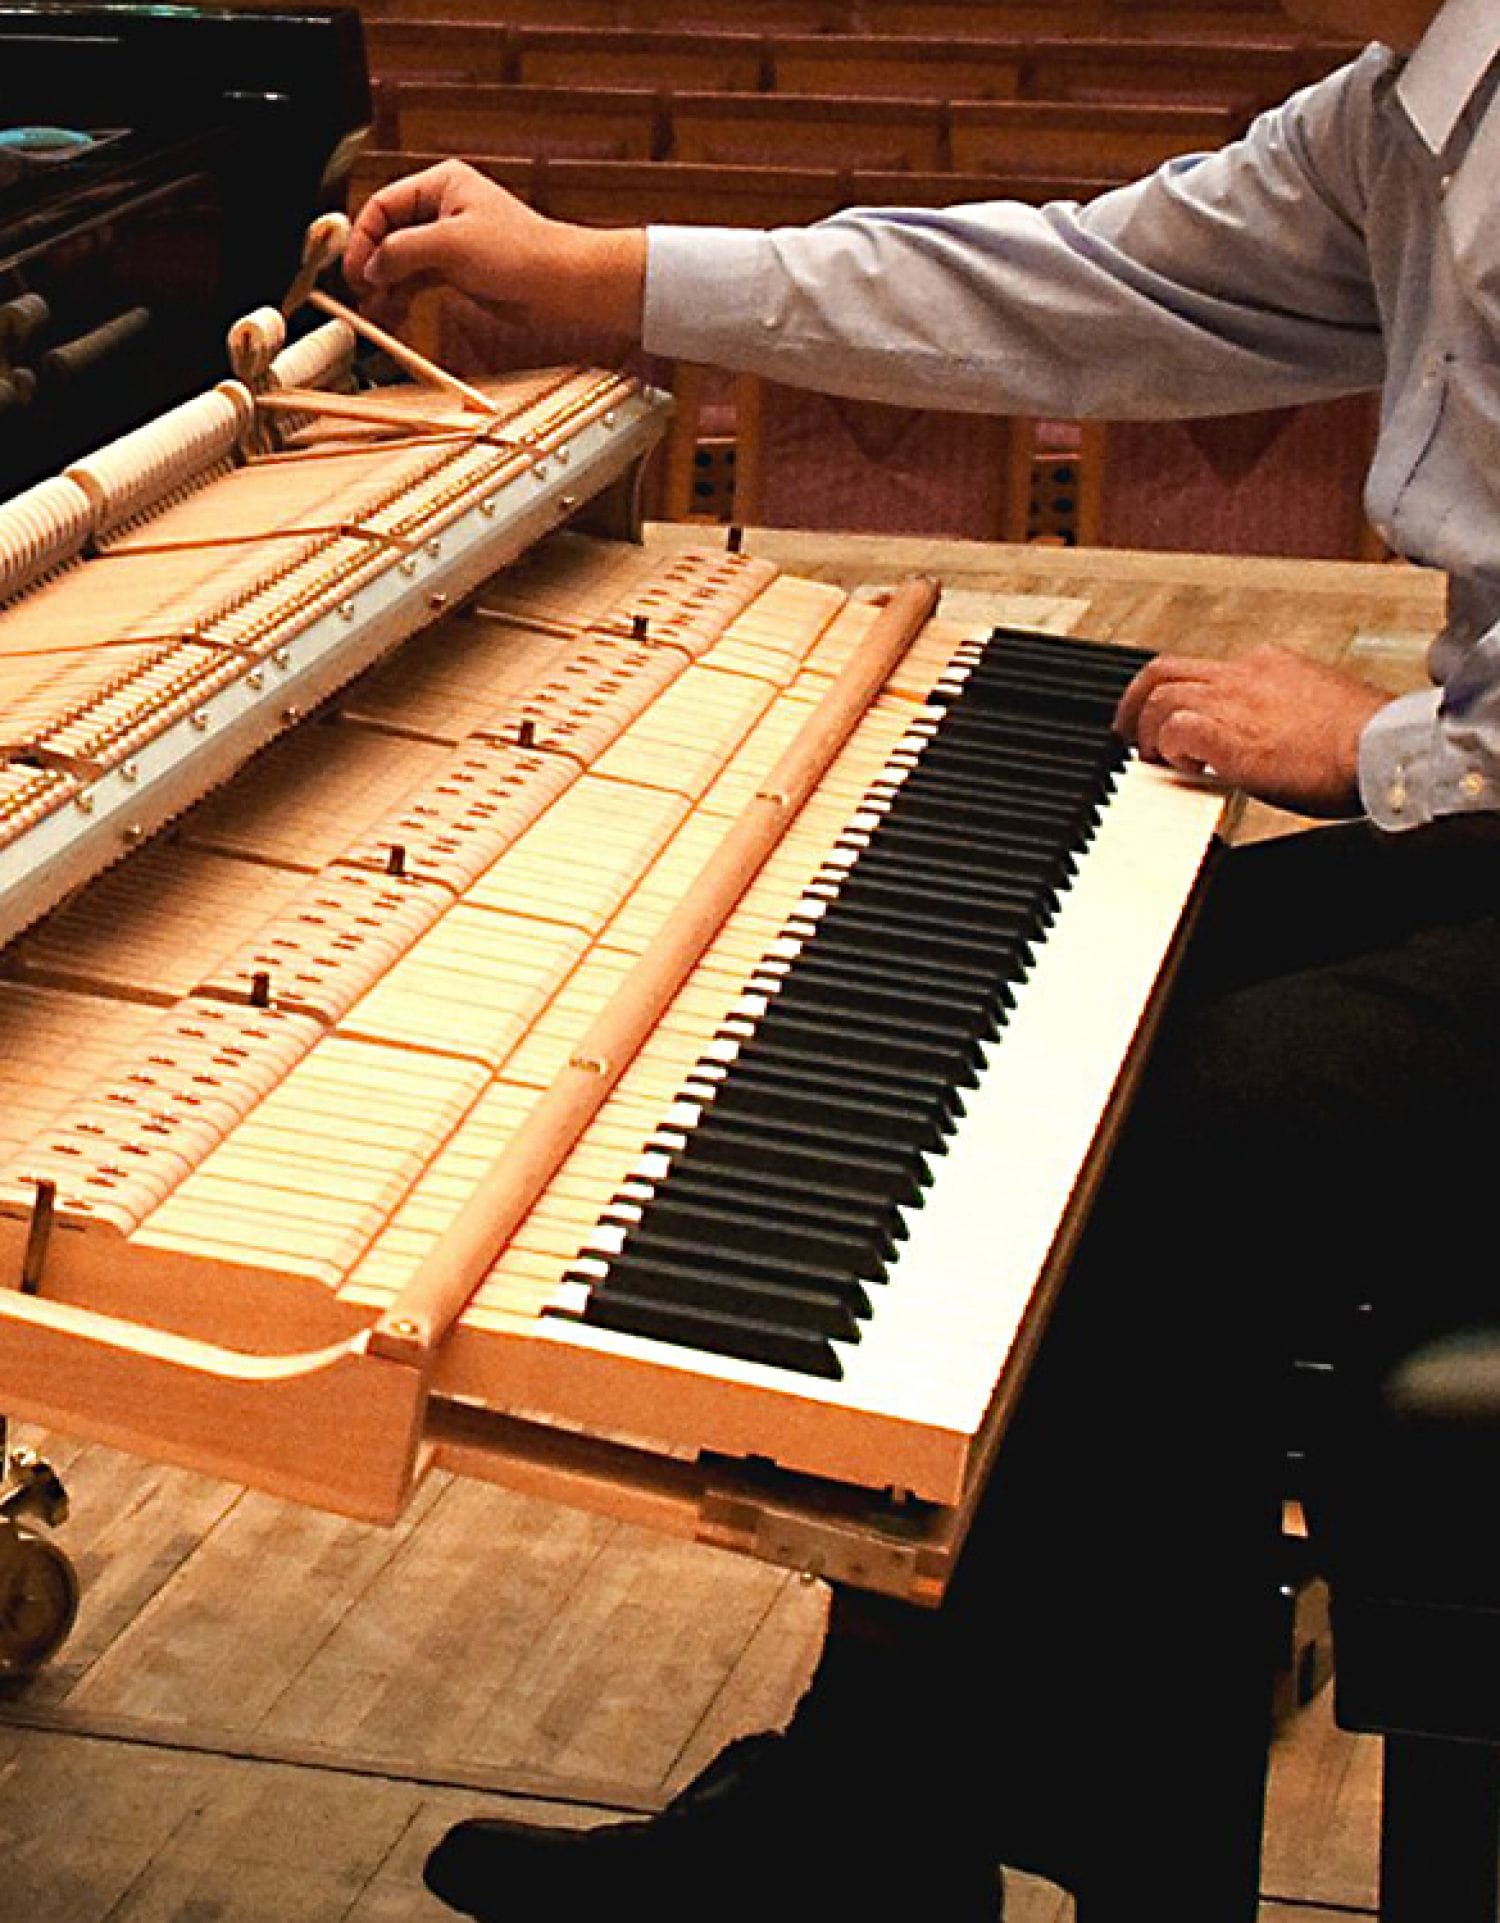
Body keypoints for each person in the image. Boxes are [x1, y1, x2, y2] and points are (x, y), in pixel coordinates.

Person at [346, 0, 1500, 1914]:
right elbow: (1089, 278)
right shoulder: (1409, 111)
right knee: (1051, 1011)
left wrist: (1390, 749)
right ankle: (882, 1820)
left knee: (1180, 1131)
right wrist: (597, 276)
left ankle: (952, 1839)